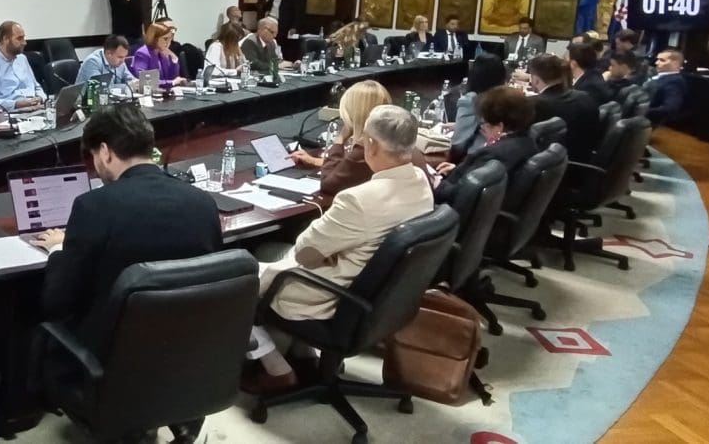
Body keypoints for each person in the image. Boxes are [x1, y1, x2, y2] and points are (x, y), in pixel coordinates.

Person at [31, 104, 221, 440]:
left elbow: (56, 302)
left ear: (105, 152)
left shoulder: (94, 207)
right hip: (189, 357)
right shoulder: (203, 203)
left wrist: (59, 249)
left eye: (93, 157)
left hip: (112, 363)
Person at [245, 105, 433, 393]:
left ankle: (277, 369)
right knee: (276, 252)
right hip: (383, 298)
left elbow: (305, 252)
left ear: (371, 145)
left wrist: (330, 246)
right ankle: (304, 354)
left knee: (236, 280)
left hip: (334, 295)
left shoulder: (358, 200)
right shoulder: (420, 181)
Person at [289, 80, 394, 196]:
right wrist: (315, 161)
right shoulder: (390, 139)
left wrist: (339, 140)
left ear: (354, 113)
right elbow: (351, 167)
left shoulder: (364, 149)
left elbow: (328, 184)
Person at [434, 87, 539, 202]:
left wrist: (434, 182)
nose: (482, 127)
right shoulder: (529, 142)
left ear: (500, 127)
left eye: (484, 123)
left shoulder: (493, 154)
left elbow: (458, 195)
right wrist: (458, 170)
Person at [528, 54, 600, 162]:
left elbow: (524, 144)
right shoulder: (585, 96)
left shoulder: (534, 105)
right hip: (584, 159)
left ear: (535, 80)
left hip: (554, 166)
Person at [449, 53, 509, 161]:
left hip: (473, 157)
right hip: (499, 153)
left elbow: (458, 142)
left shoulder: (470, 100)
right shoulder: (506, 98)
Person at [0, 21, 45, 110]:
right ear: (5, 39)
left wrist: (41, 98)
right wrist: (17, 104)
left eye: (24, 38)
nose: (24, 42)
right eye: (19, 38)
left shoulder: (22, 58)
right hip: (12, 112)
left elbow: (36, 86)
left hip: (36, 107)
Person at [130, 23, 188, 88]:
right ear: (154, 38)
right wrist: (172, 82)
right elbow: (145, 80)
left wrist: (174, 60)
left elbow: (172, 78)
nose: (168, 42)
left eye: (170, 39)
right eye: (165, 39)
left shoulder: (163, 53)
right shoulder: (142, 53)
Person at [645, 49, 689, 126]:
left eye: (662, 60)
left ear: (675, 64)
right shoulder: (656, 75)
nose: (656, 63)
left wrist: (642, 111)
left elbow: (670, 108)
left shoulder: (674, 82)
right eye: (657, 59)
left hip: (644, 120)